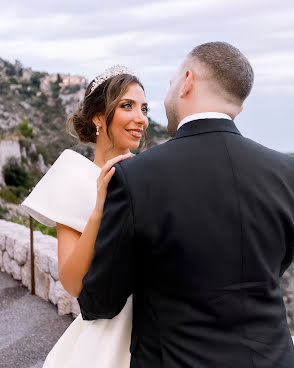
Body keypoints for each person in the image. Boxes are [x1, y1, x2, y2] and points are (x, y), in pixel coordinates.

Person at [77, 42, 294, 367]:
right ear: (239, 106)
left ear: (188, 80)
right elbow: (275, 264)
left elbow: (101, 301)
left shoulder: (134, 177)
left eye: (170, 84)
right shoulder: (287, 172)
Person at [21, 65, 149, 367]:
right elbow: (72, 283)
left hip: (159, 328)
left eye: (144, 108)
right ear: (98, 117)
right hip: (106, 333)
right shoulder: (74, 177)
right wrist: (98, 210)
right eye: (127, 106)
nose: (141, 118)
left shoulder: (152, 176)